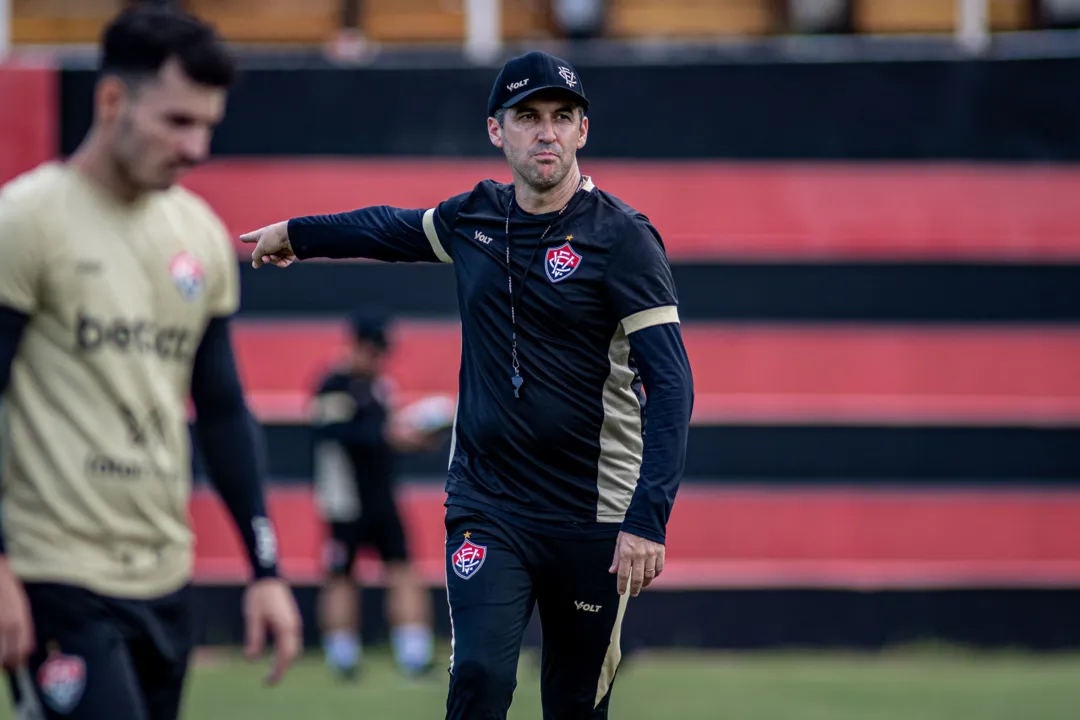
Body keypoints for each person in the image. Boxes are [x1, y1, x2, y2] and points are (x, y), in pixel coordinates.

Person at [241, 50, 695, 720]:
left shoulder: (624, 240)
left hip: (593, 515)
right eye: (528, 117)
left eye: (562, 117)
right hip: (491, 505)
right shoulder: (473, 219)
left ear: (582, 132)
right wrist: (296, 234)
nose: (546, 131)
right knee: (480, 677)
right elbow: (387, 229)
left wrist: (647, 519)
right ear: (496, 130)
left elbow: (673, 387)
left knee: (574, 703)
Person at [0, 7, 301, 719]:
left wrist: (265, 569)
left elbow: (224, 411)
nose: (196, 146)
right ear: (112, 101)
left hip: (166, 579)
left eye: (207, 125)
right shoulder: (25, 221)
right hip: (58, 576)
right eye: (176, 122)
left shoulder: (196, 233)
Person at [311, 307, 451, 679]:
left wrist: (414, 441)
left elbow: (386, 436)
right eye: (374, 350)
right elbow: (334, 434)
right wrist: (387, 436)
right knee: (341, 574)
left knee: (403, 569)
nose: (379, 359)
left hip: (381, 495)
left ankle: (414, 654)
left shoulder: (379, 387)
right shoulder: (333, 384)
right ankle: (341, 656)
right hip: (344, 499)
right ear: (357, 347)